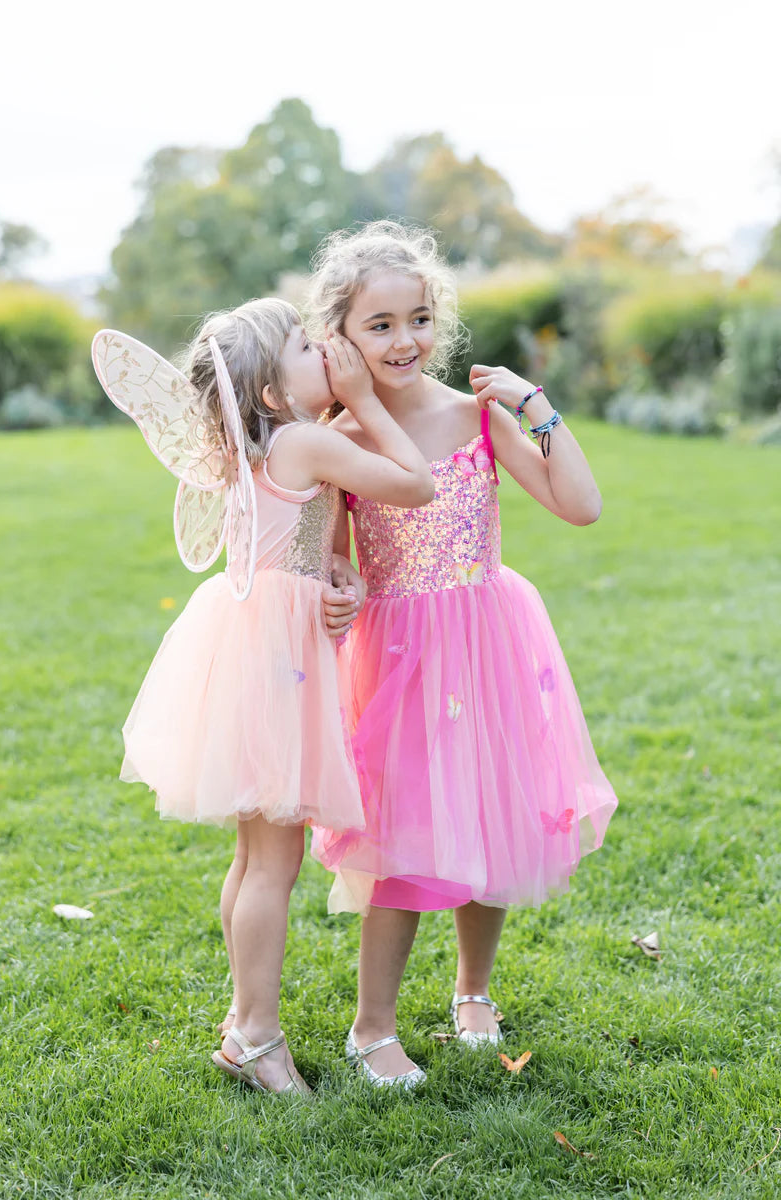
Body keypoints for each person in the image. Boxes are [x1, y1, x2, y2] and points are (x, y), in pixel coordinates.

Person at [92, 298, 434, 1095]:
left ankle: (243, 1021)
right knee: (272, 862)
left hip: (254, 646)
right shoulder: (311, 438)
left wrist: (337, 572)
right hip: (279, 663)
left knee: (255, 858)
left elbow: (312, 542)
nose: (333, 355)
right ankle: (255, 1036)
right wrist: (371, 403)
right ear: (276, 395)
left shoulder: (270, 445)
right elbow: (413, 485)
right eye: (311, 349)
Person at [309, 222, 618, 1088]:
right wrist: (339, 587)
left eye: (416, 319)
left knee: (490, 809)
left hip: (488, 640)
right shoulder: (342, 437)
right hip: (400, 650)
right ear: (342, 335)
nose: (403, 341)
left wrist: (535, 406)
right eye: (379, 325)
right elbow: (335, 556)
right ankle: (372, 1027)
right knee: (405, 835)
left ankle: (472, 990)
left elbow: (581, 506)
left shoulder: (475, 418)